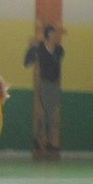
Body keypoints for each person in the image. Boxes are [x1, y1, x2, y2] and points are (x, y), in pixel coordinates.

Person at [24, 22, 65, 158]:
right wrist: (32, 46)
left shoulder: (59, 49)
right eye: (52, 33)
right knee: (45, 112)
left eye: (55, 34)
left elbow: (58, 61)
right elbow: (27, 62)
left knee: (52, 115)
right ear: (47, 35)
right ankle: (40, 139)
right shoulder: (40, 48)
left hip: (55, 84)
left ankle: (48, 141)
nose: (54, 36)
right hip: (44, 83)